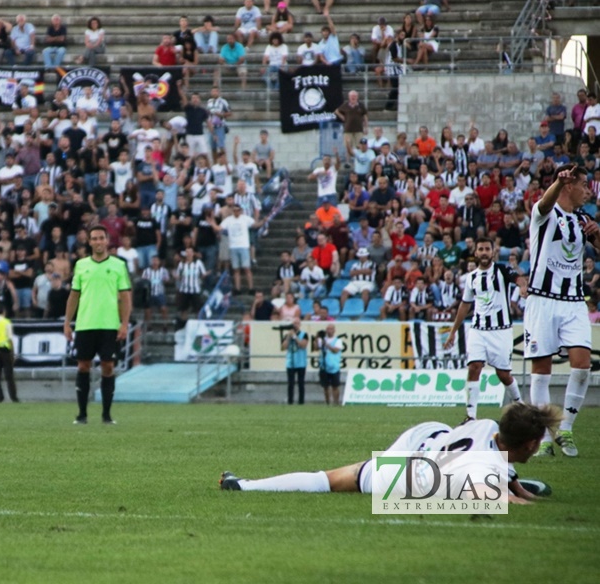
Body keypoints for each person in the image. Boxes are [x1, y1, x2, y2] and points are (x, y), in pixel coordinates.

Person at [220, 402, 561, 505]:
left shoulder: (488, 424)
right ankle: (246, 487)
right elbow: (504, 495)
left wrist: (519, 486)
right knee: (335, 480)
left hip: (426, 435)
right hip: (412, 473)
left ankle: (247, 484)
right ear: (530, 444)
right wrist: (528, 501)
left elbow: (500, 469)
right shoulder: (486, 470)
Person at [524, 165, 597, 458]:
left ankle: (564, 429)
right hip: (542, 299)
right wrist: (557, 182)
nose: (588, 191)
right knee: (541, 369)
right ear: (569, 186)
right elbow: (543, 204)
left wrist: (597, 235)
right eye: (584, 185)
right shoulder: (545, 213)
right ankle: (543, 437)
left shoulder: (583, 219)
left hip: (573, 300)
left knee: (582, 364)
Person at [444, 237, 523, 421]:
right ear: (476, 253)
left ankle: (521, 405)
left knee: (503, 374)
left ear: (493, 251)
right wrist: (453, 332)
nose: (484, 252)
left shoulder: (502, 270)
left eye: (488, 249)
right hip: (478, 329)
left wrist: (523, 286)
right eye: (481, 249)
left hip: (500, 329)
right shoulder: (472, 277)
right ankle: (470, 415)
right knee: (474, 367)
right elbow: (465, 305)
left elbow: (518, 278)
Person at [63, 226, 131, 425]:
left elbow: (126, 297)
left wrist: (125, 323)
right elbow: (74, 295)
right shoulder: (81, 265)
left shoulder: (118, 265)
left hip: (110, 325)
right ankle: (82, 414)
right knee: (83, 365)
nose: (98, 241)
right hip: (85, 324)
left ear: (107, 240)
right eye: (94, 238)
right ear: (90, 242)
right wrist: (67, 323)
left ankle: (107, 415)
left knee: (108, 367)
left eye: (102, 238)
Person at [314, 323, 343, 405]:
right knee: (325, 387)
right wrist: (316, 338)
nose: (329, 331)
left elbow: (335, 350)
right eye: (327, 329)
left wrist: (326, 344)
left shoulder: (338, 340)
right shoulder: (321, 340)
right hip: (324, 366)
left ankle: (336, 402)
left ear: (334, 330)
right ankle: (327, 403)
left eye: (331, 329)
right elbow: (315, 348)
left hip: (334, 366)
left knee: (335, 386)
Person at [281, 317, 309, 405]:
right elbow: (283, 347)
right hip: (290, 363)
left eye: (297, 323)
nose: (295, 325)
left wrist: (295, 336)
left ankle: (301, 402)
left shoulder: (304, 334)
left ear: (300, 325)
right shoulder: (287, 335)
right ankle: (290, 401)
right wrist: (289, 337)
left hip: (300, 363)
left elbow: (303, 345)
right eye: (294, 323)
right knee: (290, 384)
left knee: (301, 384)